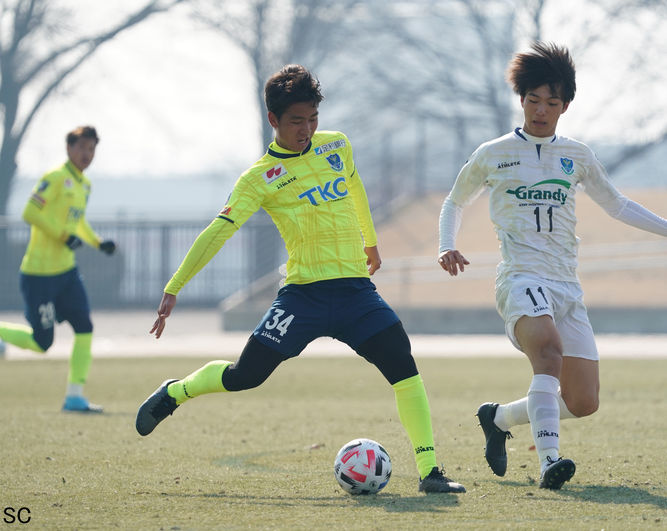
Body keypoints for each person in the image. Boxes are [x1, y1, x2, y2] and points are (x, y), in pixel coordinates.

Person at [134, 64, 465, 494]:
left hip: (355, 294)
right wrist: (175, 286)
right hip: (301, 298)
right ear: (273, 119)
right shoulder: (258, 178)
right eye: (296, 121)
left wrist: (370, 242)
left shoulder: (337, 145)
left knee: (404, 367)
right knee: (245, 375)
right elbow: (219, 230)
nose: (306, 129)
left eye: (313, 118)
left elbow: (355, 187)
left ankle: (430, 472)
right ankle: (176, 392)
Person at [437, 42, 667, 490]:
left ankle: (498, 418)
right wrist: (446, 245)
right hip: (520, 279)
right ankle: (550, 462)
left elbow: (618, 205)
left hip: (567, 286)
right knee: (548, 353)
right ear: (521, 100)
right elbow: (454, 201)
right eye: (533, 100)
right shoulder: (494, 152)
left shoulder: (577, 155)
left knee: (584, 400)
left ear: (565, 105)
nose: (541, 110)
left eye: (551, 102)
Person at [0, 126, 117, 413]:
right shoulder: (55, 177)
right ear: (69, 148)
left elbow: (78, 221)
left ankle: (74, 397)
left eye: (91, 149)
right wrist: (62, 236)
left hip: (67, 274)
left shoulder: (85, 185)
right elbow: (30, 212)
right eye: (82, 147)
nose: (87, 154)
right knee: (41, 343)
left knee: (85, 328)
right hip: (39, 276)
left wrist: (98, 243)